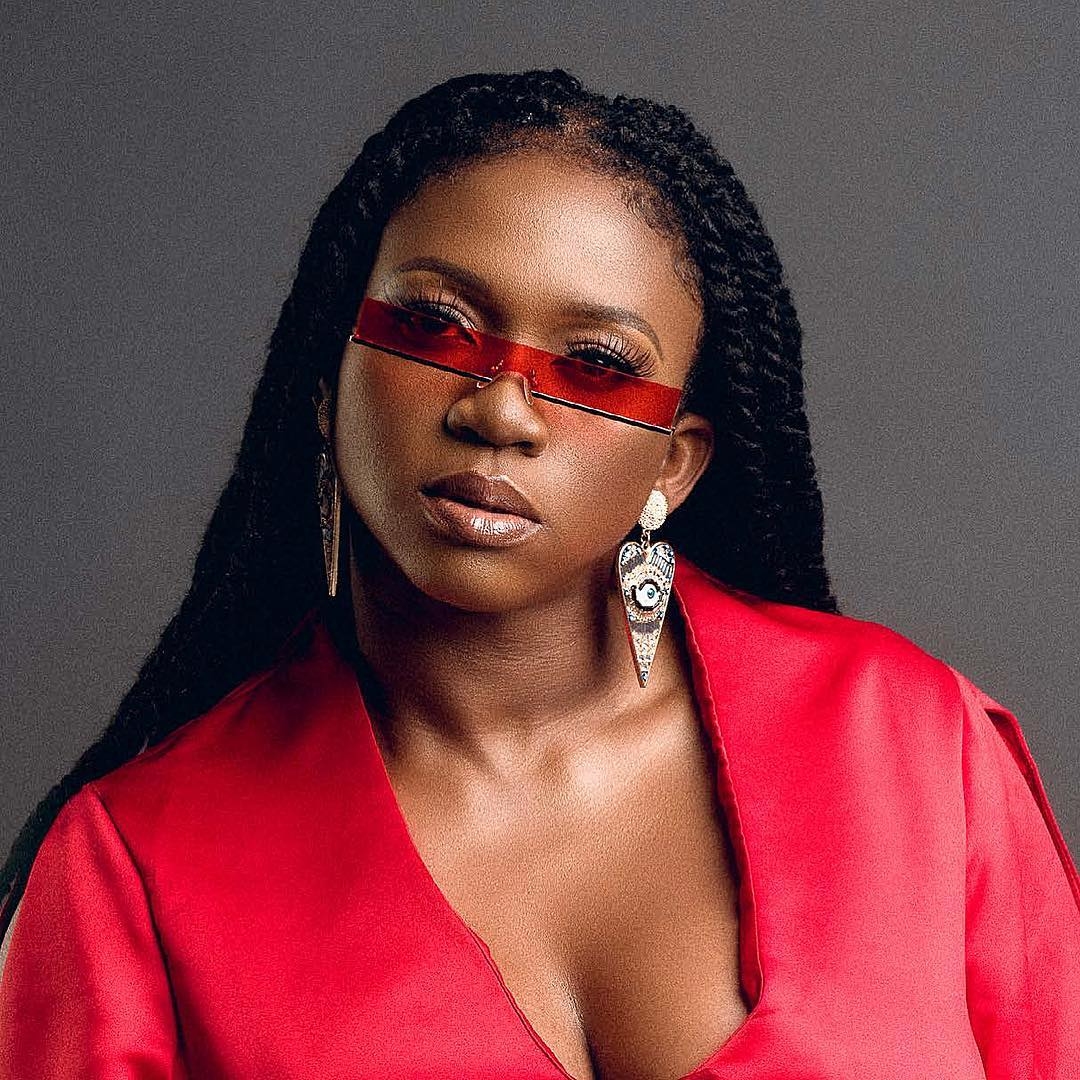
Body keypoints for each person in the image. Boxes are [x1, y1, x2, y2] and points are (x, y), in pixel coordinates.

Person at [0, 67, 1077, 1079]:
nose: (500, 411)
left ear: (675, 463)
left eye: (595, 365)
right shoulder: (131, 869)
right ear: (328, 380)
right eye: (436, 325)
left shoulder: (915, 746)